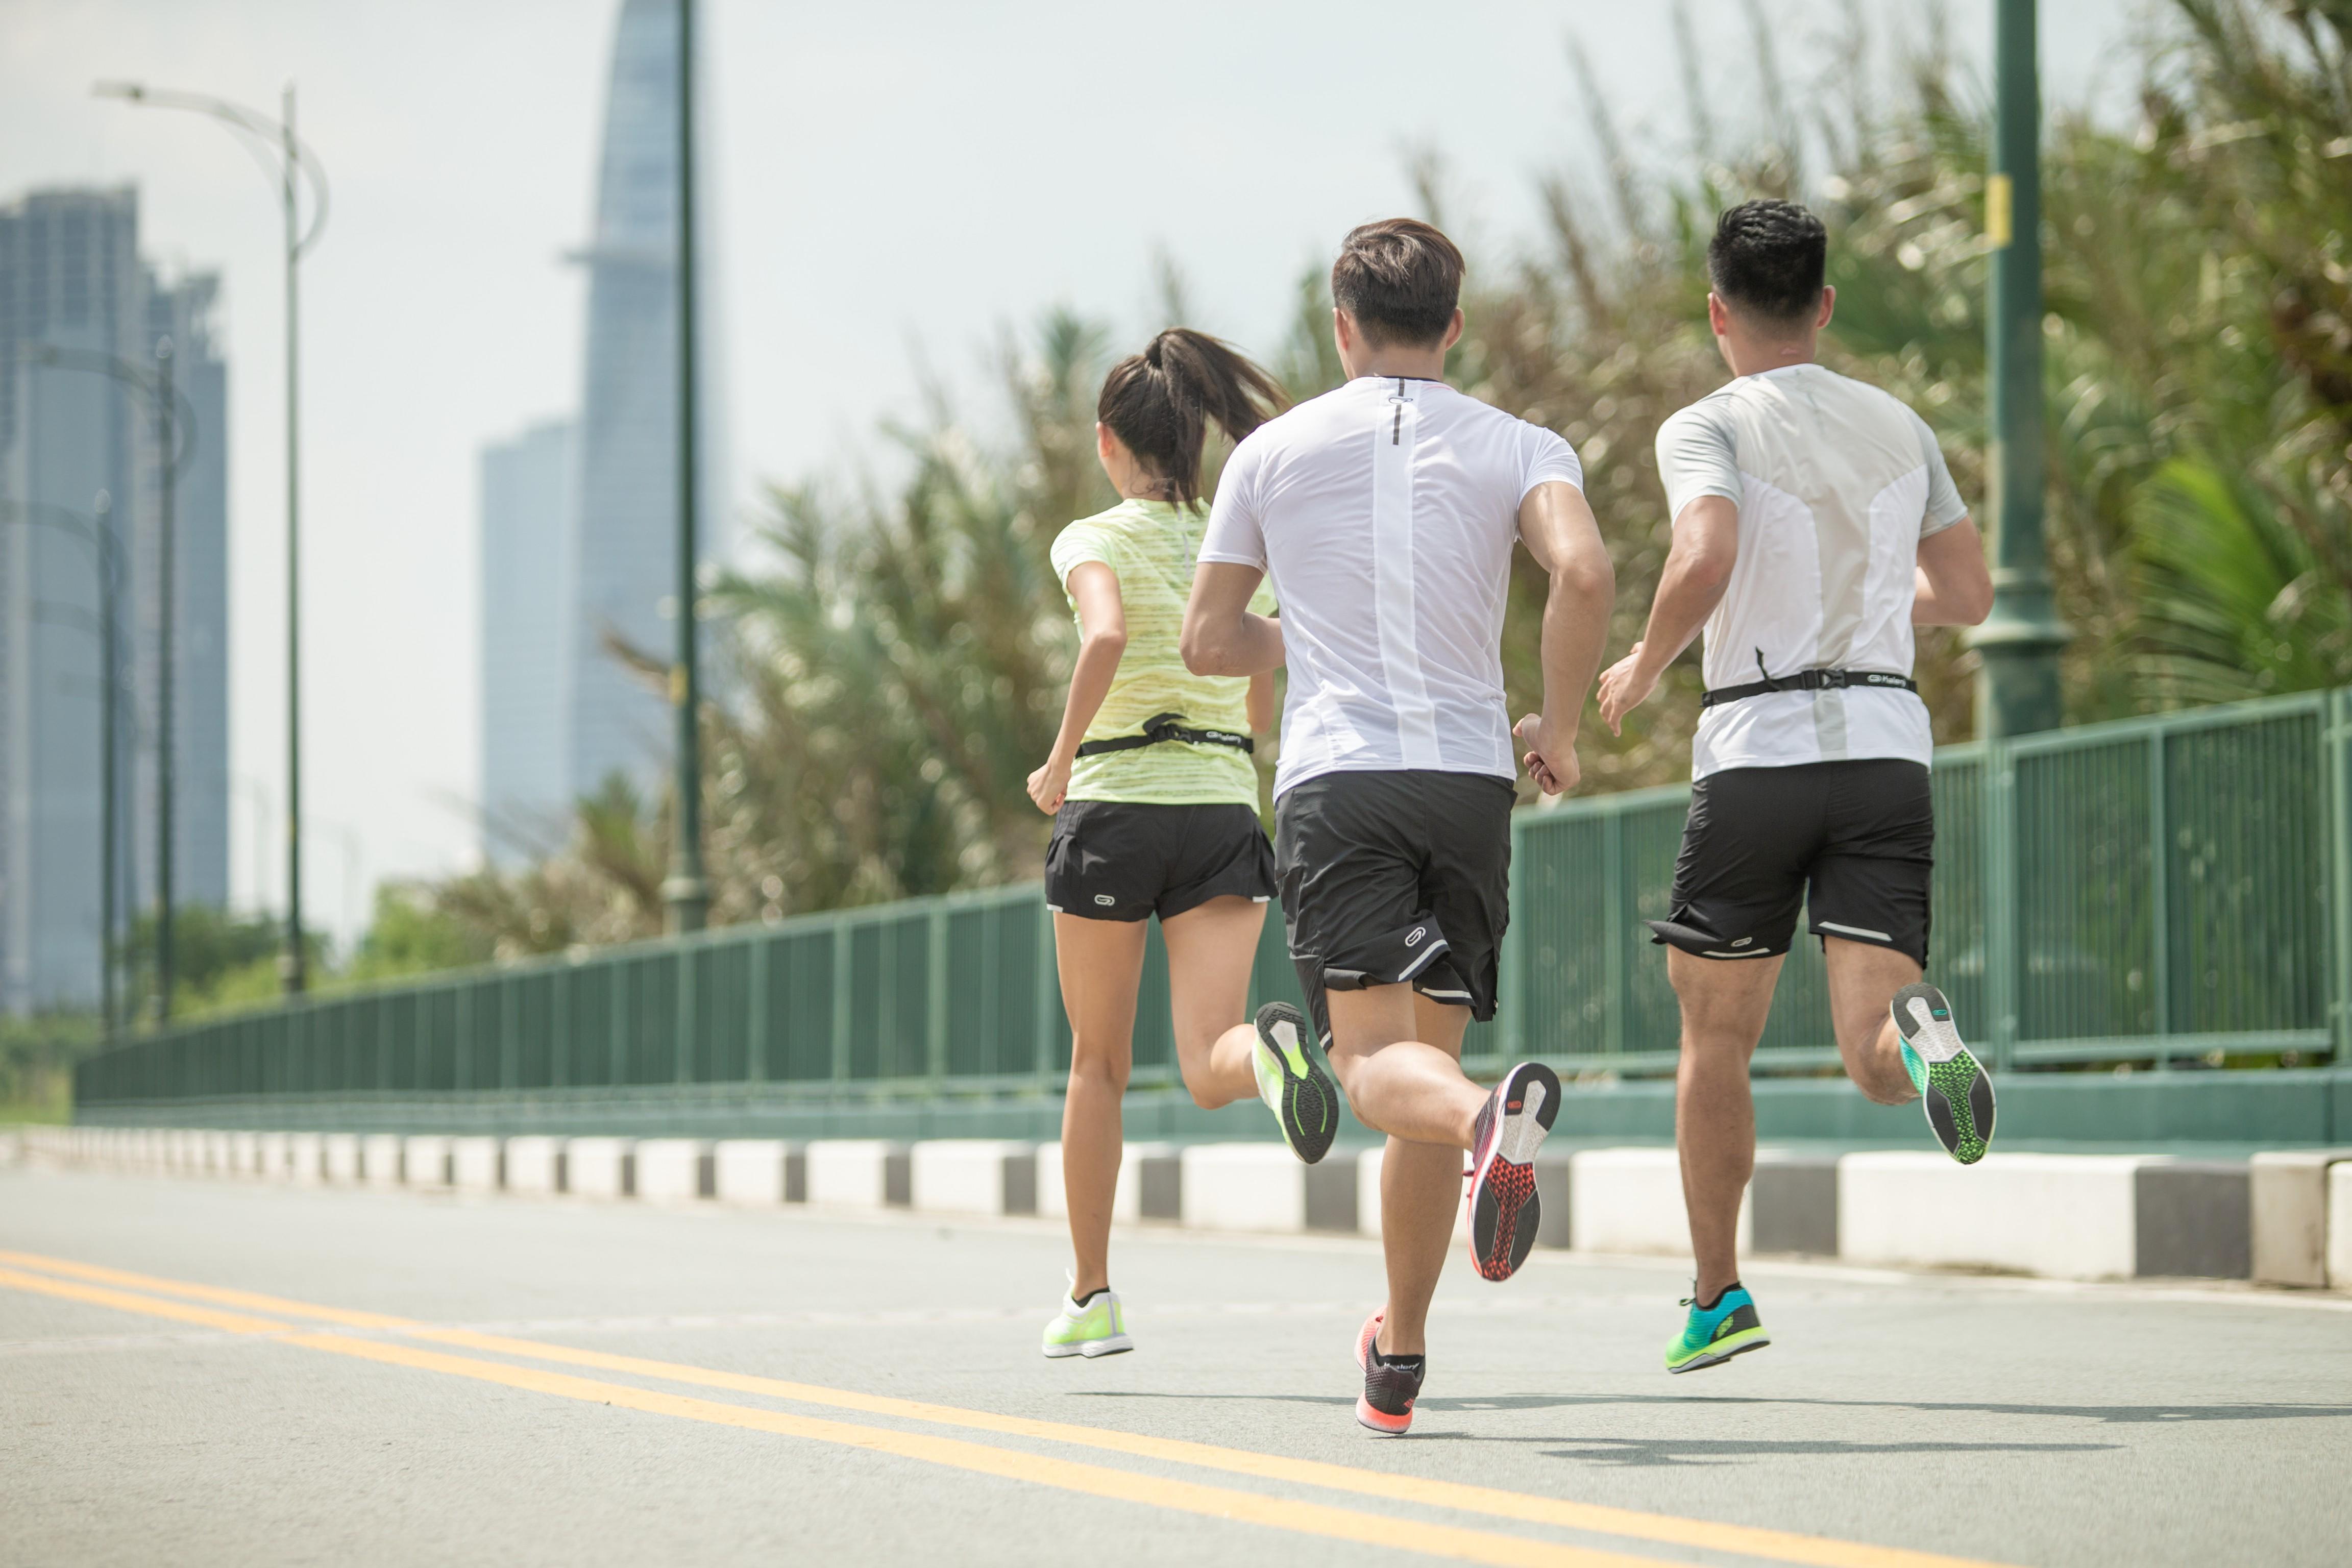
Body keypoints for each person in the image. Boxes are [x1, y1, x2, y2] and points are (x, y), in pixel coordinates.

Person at [1183, 219, 1615, 1435]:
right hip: (1468, 784)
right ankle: (1401, 1355)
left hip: (1342, 782)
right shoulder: (1522, 445)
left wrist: (1305, 637)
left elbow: (1209, 640)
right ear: (1456, 325)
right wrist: (1563, 732)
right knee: (1419, 1061)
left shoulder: (1269, 453)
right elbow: (1582, 576)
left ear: (1341, 327)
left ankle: (1492, 1123)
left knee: (1377, 1072)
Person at [1595, 199, 1998, 1376]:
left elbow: (1705, 552)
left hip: (1760, 749)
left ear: (1718, 312)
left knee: (1716, 1036)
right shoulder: (1899, 424)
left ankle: (1718, 1295)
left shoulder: (1706, 426)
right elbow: (1966, 593)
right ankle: (1926, 1045)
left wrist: (1644, 661)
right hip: (1884, 747)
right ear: (1824, 304)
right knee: (1870, 1047)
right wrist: (1875, 605)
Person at [1030, 329, 1329, 1361]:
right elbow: (1258, 663)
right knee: (1210, 1060)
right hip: (1217, 804)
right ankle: (1274, 1057)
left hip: (1114, 804)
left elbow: (1105, 637)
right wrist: (1236, 748)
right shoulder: (1232, 538)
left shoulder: (1092, 538)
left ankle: (1092, 1295)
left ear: (1110, 443)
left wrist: (1061, 757)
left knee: (1098, 1066)